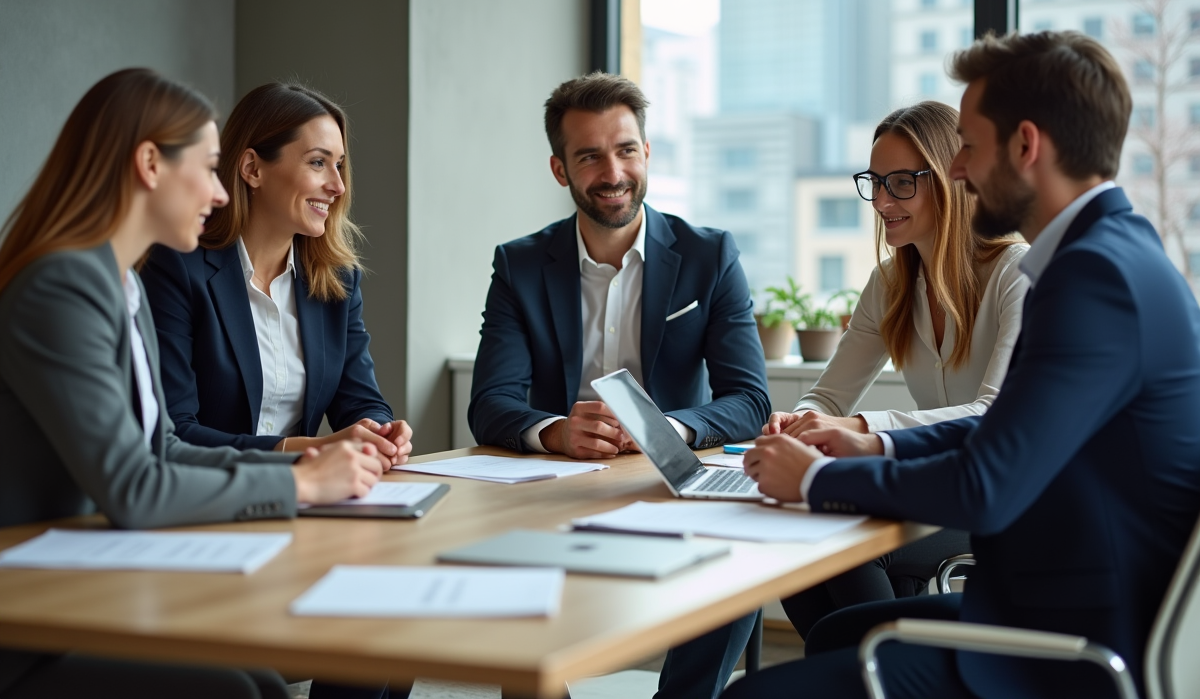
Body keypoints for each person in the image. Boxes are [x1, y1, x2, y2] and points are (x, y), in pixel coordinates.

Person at [730, 31, 1200, 699]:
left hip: (1072, 647)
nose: (959, 171)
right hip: (1058, 607)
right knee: (839, 635)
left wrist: (820, 479)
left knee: (751, 695)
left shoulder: (1090, 278)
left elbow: (987, 484)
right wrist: (868, 442)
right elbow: (1004, 426)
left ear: (1026, 146)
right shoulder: (1112, 255)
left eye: (969, 147)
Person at [0, 69, 384, 698]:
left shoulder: (118, 282)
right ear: (149, 164)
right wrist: (300, 480)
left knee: (262, 678)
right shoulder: (60, 288)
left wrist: (306, 468)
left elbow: (165, 448)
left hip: (89, 577)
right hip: (36, 613)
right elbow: (133, 486)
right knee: (236, 686)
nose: (219, 192)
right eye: (209, 170)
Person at [468, 72, 771, 699]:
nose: (613, 171)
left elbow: (750, 399)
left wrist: (670, 430)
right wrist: (553, 431)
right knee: (500, 565)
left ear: (647, 153)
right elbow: (491, 404)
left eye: (626, 149)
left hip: (663, 482)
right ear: (560, 169)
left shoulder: (710, 255)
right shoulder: (520, 265)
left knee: (743, 555)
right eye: (590, 156)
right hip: (553, 489)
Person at [765, 101, 1029, 639]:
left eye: (902, 182)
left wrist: (859, 429)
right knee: (794, 541)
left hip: (997, 497)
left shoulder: (1015, 273)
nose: (882, 200)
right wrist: (797, 421)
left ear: (951, 178)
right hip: (925, 486)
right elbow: (829, 397)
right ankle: (860, 674)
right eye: (876, 181)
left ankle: (883, 670)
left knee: (851, 551)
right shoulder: (890, 283)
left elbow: (992, 414)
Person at [141, 83, 412, 470]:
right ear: (252, 168)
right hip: (207, 501)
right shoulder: (176, 267)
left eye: (339, 165)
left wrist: (379, 433)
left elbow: (360, 398)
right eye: (318, 163)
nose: (337, 186)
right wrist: (304, 450)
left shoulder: (337, 279)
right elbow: (173, 431)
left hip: (309, 500)